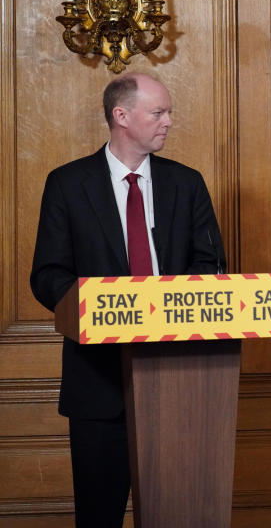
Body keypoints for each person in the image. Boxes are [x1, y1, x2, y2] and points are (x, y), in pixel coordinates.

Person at [30, 73, 225, 528]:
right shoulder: (67, 183)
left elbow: (209, 262)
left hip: (181, 377)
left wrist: (168, 312)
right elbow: (48, 275)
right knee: (98, 516)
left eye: (168, 112)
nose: (169, 122)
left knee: (181, 513)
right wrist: (100, 311)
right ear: (121, 116)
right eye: (158, 112)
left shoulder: (187, 183)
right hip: (98, 381)